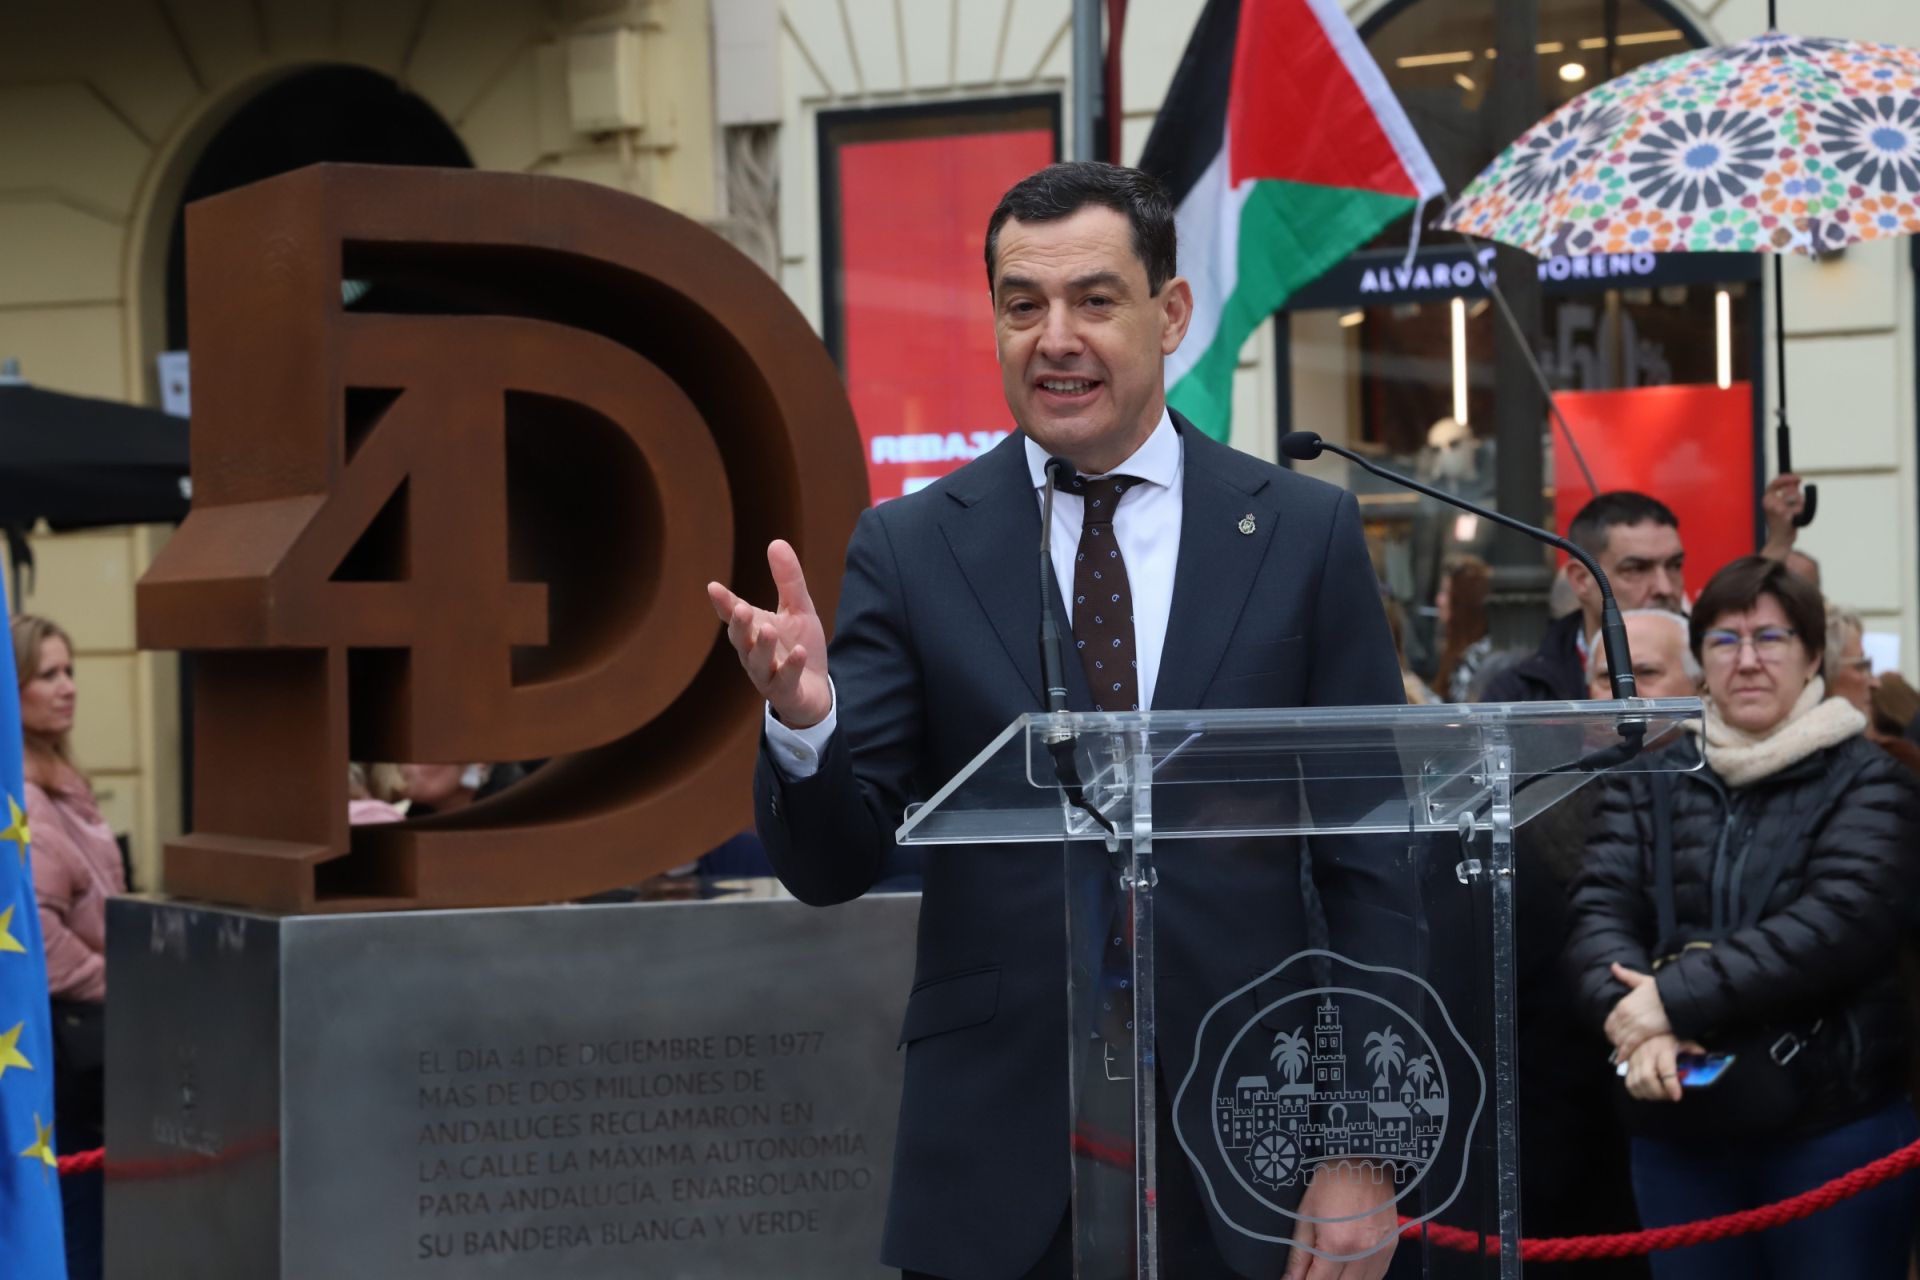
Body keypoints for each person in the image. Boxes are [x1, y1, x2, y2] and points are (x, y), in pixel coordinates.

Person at [708, 162, 1408, 1280]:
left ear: (1169, 312)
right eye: (1022, 305)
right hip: (1000, 1166)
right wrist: (805, 725)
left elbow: (1377, 859)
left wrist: (1365, 1145)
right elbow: (832, 862)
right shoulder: (915, 545)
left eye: (1094, 299)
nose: (1056, 337)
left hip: (1251, 1151)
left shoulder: (1302, 534)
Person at [1564, 557, 1920, 1278]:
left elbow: (1836, 927)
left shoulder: (1871, 779)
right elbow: (1597, 913)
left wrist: (1666, 1001)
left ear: (1813, 655)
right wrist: (1634, 1027)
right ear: (1701, 661)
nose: (1748, 661)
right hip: (1677, 1126)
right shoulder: (1657, 775)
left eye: (1771, 638)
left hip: (1829, 1131)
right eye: (1725, 641)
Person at [14, 614, 122, 1280]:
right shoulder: (24, 796)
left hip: (92, 1042)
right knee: (79, 1218)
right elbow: (42, 943)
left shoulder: (64, 781)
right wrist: (118, 979)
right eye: (48, 674)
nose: (68, 687)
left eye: (70, 670)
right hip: (69, 1044)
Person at [1483, 492, 1684, 703]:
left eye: (1675, 566)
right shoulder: (1520, 693)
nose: (1665, 587)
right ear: (1581, 579)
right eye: (1636, 569)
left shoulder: (1715, 666)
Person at [1433, 555, 1491, 703]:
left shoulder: (1476, 659)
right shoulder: (1461, 652)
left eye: (1446, 592)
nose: (1439, 600)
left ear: (1463, 603)